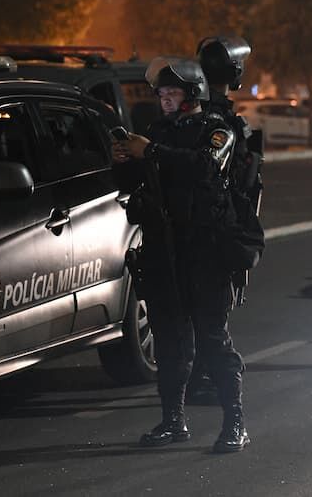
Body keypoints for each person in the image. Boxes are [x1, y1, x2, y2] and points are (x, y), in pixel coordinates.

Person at [111, 57, 250, 453]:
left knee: (212, 339)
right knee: (170, 342)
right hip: (164, 252)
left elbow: (205, 168)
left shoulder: (217, 130)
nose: (165, 100)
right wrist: (123, 160)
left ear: (193, 94)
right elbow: (137, 183)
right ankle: (173, 421)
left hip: (204, 252)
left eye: (172, 93)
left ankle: (235, 422)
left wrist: (150, 151)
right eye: (161, 94)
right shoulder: (158, 131)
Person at [185, 36, 261, 405]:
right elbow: (240, 183)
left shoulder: (193, 111)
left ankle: (203, 374)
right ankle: (217, 379)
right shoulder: (224, 121)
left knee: (203, 309)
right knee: (214, 308)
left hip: (195, 225)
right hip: (217, 226)